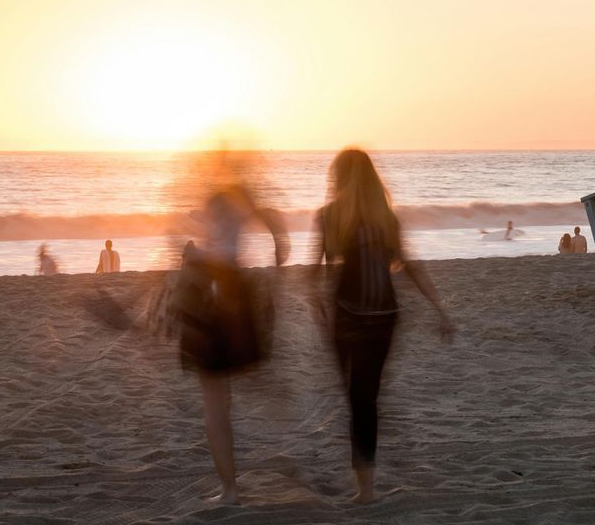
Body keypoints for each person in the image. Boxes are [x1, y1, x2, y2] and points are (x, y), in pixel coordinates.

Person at [311, 148, 454, 504]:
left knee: (356, 398)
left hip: (346, 315)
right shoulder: (385, 218)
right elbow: (410, 265)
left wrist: (315, 305)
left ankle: (366, 490)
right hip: (383, 316)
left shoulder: (329, 216)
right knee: (365, 399)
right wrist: (440, 308)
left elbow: (313, 274)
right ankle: (367, 487)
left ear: (338, 177)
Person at [170, 148, 290, 505]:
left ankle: (230, 490)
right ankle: (231, 484)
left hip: (214, 298)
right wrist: (278, 248)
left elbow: (221, 252)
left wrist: (194, 254)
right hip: (234, 293)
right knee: (223, 394)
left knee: (214, 400)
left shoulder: (224, 196)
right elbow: (264, 220)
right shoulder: (240, 196)